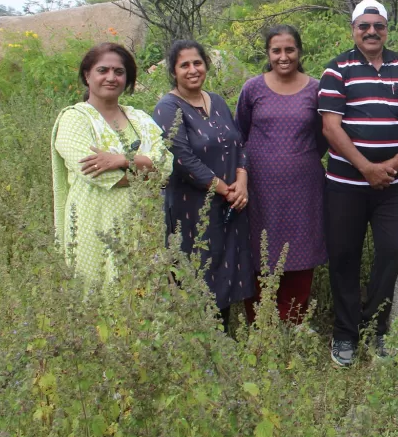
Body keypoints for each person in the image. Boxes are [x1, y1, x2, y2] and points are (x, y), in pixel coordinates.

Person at [318, 0, 398, 367]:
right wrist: (366, 167)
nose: (371, 32)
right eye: (364, 26)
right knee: (344, 256)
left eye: (378, 26)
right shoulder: (337, 69)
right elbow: (330, 127)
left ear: (387, 28)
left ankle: (377, 329)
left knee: (390, 251)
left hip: (393, 185)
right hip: (345, 184)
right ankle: (346, 334)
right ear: (353, 29)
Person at [153, 40, 255, 330]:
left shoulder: (217, 101)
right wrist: (225, 189)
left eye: (197, 63)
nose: (192, 70)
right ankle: (201, 351)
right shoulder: (167, 107)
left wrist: (242, 181)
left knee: (225, 271)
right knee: (198, 273)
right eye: (184, 65)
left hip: (230, 206)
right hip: (192, 208)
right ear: (174, 71)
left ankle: (224, 343)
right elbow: (181, 158)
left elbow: (239, 142)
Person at [51, 43, 170, 288]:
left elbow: (167, 165)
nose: (111, 77)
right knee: (99, 300)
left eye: (119, 72)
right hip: (93, 224)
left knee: (143, 302)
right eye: (102, 70)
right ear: (87, 75)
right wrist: (147, 168)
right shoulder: (74, 119)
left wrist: (122, 160)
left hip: (142, 224)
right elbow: (96, 173)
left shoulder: (139, 118)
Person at [236, 25, 328, 324]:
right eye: (276, 50)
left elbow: (323, 135)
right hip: (259, 186)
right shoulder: (253, 88)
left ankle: (294, 321)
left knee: (301, 248)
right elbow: (241, 133)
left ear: (299, 51)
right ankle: (261, 322)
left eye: (290, 49)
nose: (283, 56)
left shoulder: (316, 89)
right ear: (268, 53)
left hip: (304, 186)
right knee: (260, 248)